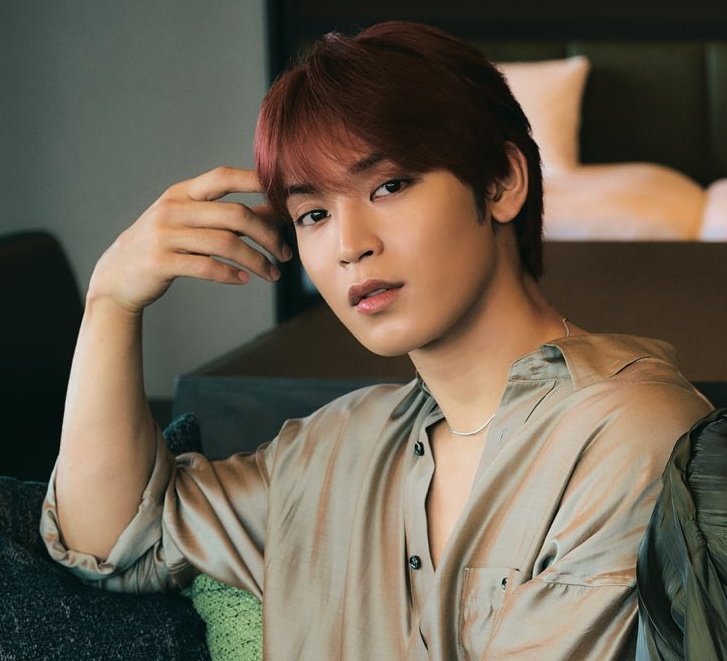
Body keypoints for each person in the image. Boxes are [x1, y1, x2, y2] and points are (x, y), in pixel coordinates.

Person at [41, 21, 712, 659]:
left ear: (502, 182)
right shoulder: (334, 449)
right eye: (313, 213)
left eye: (389, 185)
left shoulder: (628, 434)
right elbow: (114, 538)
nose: (349, 244)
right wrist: (111, 301)